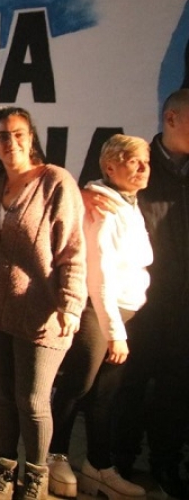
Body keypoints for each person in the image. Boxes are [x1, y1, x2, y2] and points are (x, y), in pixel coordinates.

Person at [0, 107, 86, 500]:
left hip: (39, 312)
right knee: (1, 395)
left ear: (31, 137)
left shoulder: (55, 181)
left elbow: (73, 249)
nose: (11, 142)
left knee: (32, 401)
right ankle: (5, 469)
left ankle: (36, 476)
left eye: (19, 134)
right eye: (2, 136)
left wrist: (71, 303)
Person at [46, 134, 150, 500]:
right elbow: (99, 275)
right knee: (77, 386)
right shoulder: (101, 206)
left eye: (146, 162)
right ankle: (53, 457)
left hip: (123, 311)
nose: (143, 168)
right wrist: (114, 332)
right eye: (134, 161)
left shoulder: (128, 203)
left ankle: (99, 466)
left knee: (105, 395)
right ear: (110, 166)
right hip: (100, 312)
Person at [109, 89, 189, 499]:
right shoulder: (139, 164)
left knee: (175, 388)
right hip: (138, 303)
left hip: (183, 303)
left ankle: (166, 463)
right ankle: (120, 461)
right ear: (171, 119)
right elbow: (102, 198)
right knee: (130, 385)